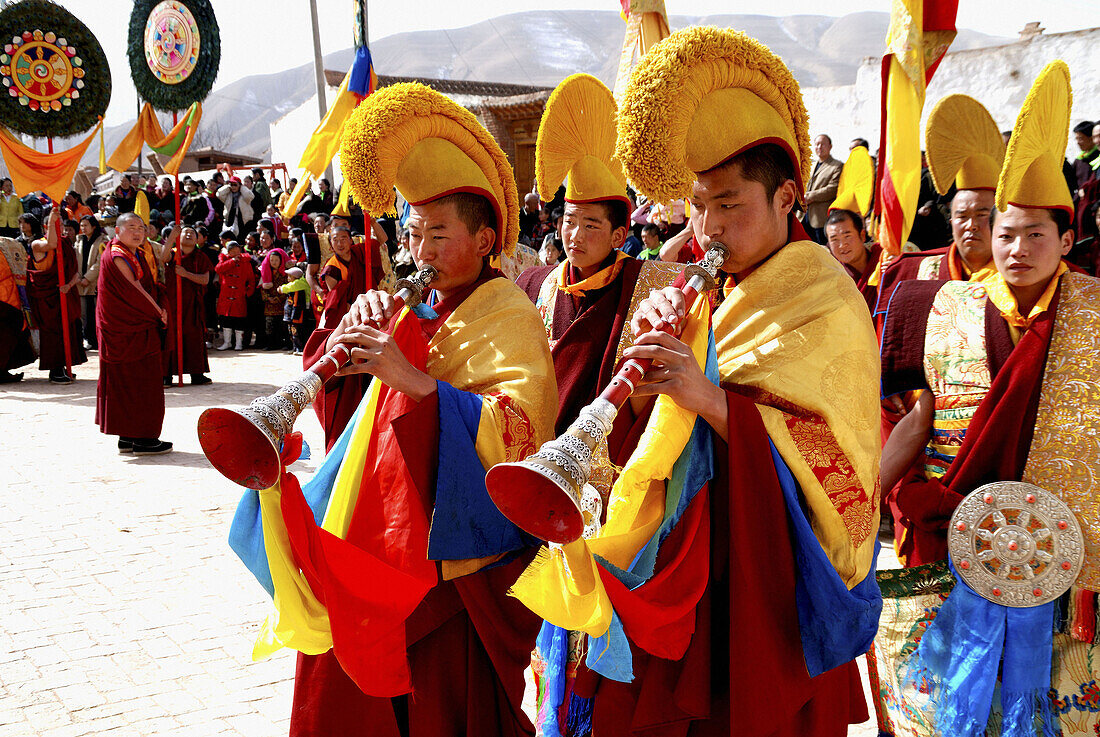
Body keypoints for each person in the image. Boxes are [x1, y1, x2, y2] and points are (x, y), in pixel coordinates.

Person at [227, 81, 557, 737]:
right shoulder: (413, 301)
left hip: (452, 568)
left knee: (441, 707)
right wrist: (349, 339)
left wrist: (421, 385)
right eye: (412, 233)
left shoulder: (508, 314)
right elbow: (360, 423)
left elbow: (522, 434)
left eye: (439, 233)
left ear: (486, 236)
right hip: (374, 540)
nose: (421, 251)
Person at [577, 27, 880, 735]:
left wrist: (710, 399)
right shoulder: (698, 286)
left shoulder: (825, 297)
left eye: (730, 205)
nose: (709, 227)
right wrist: (656, 365)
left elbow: (837, 470)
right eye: (699, 204)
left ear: (787, 198)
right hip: (687, 575)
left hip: (766, 586)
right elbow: (637, 440)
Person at [873, 61, 1100, 736]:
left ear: (1066, 240)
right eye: (1006, 233)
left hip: (1069, 555)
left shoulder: (1093, 316)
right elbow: (918, 419)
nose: (1017, 247)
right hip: (959, 545)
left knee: (1058, 714)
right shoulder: (935, 307)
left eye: (1036, 234)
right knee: (956, 710)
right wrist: (864, 506)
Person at [509, 74, 692, 734]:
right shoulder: (535, 286)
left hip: (610, 490)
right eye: (567, 220)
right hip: (540, 471)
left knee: (592, 636)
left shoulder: (648, 286)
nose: (575, 234)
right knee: (542, 637)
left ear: (620, 233)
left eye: (591, 223)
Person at [875, 94, 1006, 319]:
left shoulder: (1020, 274)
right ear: (951, 220)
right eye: (962, 216)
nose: (971, 225)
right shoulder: (916, 272)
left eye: (982, 214)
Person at [95, 212, 172, 455]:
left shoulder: (133, 252)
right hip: (128, 327)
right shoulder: (118, 255)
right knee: (142, 382)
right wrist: (158, 311)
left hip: (125, 327)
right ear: (117, 231)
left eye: (141, 227)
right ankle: (144, 439)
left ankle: (128, 436)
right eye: (131, 227)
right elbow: (134, 290)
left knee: (126, 382)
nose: (138, 232)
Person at [27, 208, 86, 383]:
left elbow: (75, 271)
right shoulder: (36, 244)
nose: (61, 229)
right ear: (46, 226)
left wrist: (69, 285)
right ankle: (55, 369)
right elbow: (51, 245)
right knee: (53, 332)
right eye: (55, 225)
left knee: (70, 329)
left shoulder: (66, 243)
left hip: (65, 293)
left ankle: (67, 365)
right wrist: (52, 220)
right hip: (48, 297)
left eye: (61, 225)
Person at [162, 224, 213, 385]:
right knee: (171, 337)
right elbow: (163, 258)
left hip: (192, 304)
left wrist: (186, 274)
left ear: (198, 238)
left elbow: (205, 280)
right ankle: (167, 375)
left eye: (192, 233)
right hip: (172, 302)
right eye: (185, 233)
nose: (189, 235)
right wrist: (171, 237)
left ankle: (197, 373)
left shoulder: (201, 256)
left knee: (193, 337)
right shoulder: (174, 253)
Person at [825, 209, 880, 310]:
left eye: (847, 236)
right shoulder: (830, 274)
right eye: (834, 239)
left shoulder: (882, 259)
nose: (842, 245)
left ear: (862, 236)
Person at [0, 238, 34, 383]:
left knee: (10, 335)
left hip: (8, 299)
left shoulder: (5, 245)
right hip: (5, 301)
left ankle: (3, 370)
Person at [802, 133, 843, 244]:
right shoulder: (811, 165)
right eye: (817, 144)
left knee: (823, 249)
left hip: (820, 218)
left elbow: (832, 188)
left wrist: (810, 196)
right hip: (804, 215)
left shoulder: (836, 166)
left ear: (830, 146)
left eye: (823, 144)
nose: (819, 147)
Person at [214, 241, 255, 351]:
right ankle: (227, 342)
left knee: (239, 321)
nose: (236, 254)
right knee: (226, 320)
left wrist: (248, 292)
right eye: (233, 252)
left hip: (240, 295)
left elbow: (251, 279)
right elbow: (218, 269)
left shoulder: (246, 262)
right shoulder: (224, 260)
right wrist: (231, 262)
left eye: (238, 251)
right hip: (226, 295)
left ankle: (239, 343)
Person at [75, 215, 107, 350]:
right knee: (83, 313)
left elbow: (100, 262)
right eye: (81, 225)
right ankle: (87, 338)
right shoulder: (79, 240)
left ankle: (96, 340)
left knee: (94, 312)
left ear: (94, 226)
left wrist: (88, 278)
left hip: (94, 283)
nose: (83, 228)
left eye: (86, 225)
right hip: (80, 282)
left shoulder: (103, 240)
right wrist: (78, 277)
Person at [278, 265, 314, 355]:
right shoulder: (299, 283)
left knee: (300, 330)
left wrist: (281, 289)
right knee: (293, 331)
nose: (288, 278)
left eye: (290, 276)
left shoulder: (301, 283)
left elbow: (291, 286)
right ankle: (295, 347)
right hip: (295, 311)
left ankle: (301, 348)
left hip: (302, 310)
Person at [259, 247, 289, 350]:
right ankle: (270, 344)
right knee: (269, 326)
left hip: (281, 303)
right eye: (272, 260)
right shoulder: (265, 272)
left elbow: (288, 287)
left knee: (283, 325)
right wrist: (268, 298)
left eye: (276, 260)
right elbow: (262, 288)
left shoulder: (285, 274)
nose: (274, 262)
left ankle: (284, 343)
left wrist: (279, 298)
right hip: (269, 304)